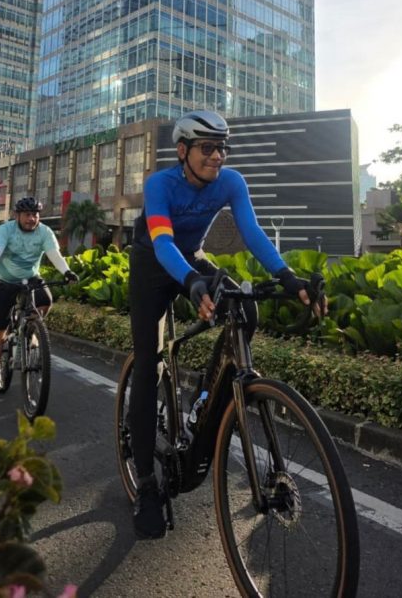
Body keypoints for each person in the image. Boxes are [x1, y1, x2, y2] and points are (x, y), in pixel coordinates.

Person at [128, 110, 324, 540]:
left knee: (245, 311)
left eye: (222, 148)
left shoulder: (231, 182)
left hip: (192, 259)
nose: (218, 156)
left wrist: (287, 276)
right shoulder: (160, 184)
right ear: (183, 151)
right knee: (147, 364)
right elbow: (162, 241)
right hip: (152, 264)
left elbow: (251, 233)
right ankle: (145, 484)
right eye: (207, 148)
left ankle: (207, 397)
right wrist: (190, 281)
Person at [0, 197, 78, 393]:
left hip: (30, 278)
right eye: (27, 215)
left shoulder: (45, 232)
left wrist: (67, 271)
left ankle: (30, 330)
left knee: (46, 300)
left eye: (35, 215)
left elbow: (54, 254)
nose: (32, 219)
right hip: (4, 280)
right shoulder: (5, 230)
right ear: (17, 216)